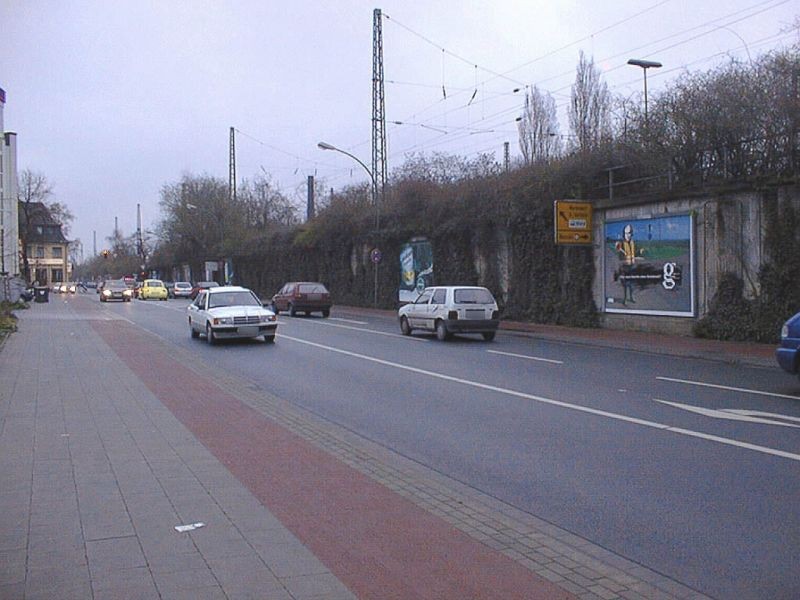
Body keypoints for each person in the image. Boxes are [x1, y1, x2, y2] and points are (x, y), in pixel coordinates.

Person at [614, 224, 644, 304]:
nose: (628, 235)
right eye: (626, 233)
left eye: (629, 233)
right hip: (624, 267)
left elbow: (635, 252)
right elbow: (618, 250)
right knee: (625, 284)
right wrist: (618, 247)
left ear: (632, 234)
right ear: (624, 234)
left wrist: (640, 251)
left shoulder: (632, 243)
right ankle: (624, 299)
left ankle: (630, 297)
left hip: (631, 266)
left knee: (631, 283)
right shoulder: (622, 243)